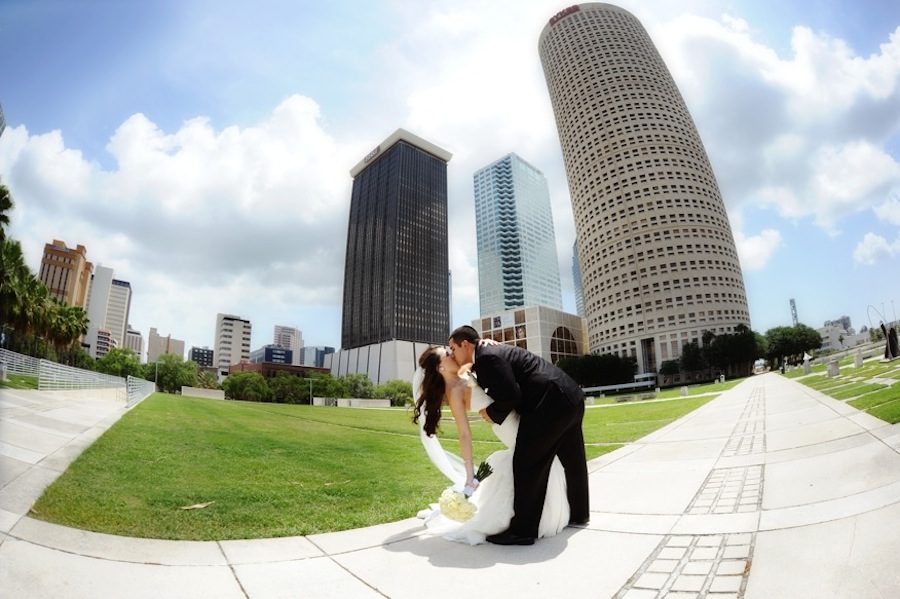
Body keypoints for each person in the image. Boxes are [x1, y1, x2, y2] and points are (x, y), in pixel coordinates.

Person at [413, 345, 570, 545]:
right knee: (530, 461)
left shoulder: (467, 371)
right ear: (439, 368)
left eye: (450, 350)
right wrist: (469, 474)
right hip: (507, 427)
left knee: (537, 459)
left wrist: (486, 343)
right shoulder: (453, 392)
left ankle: (530, 519)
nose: (452, 354)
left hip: (519, 416)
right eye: (447, 354)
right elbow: (464, 434)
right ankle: (524, 522)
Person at [448, 325, 590, 546]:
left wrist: (491, 413)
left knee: (527, 464)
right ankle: (580, 514)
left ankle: (522, 531)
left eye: (453, 348)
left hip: (548, 405)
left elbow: (512, 394)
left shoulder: (487, 357)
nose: (452, 354)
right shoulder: (488, 355)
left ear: (465, 344)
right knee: (573, 460)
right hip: (570, 397)